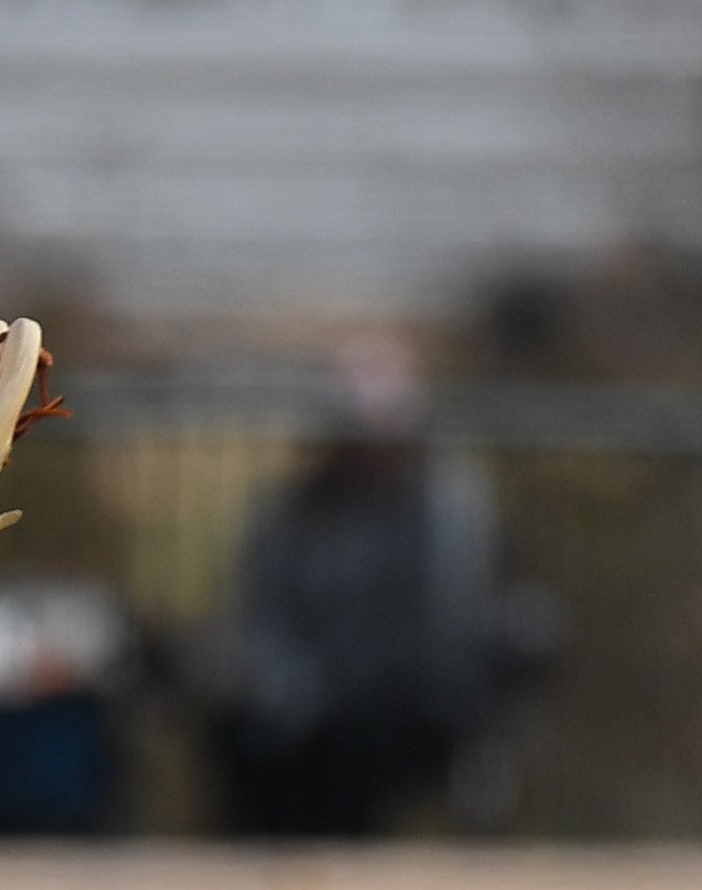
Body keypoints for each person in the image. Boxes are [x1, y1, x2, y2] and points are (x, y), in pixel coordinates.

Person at [212, 338, 521, 838]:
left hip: (403, 705)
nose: (368, 454)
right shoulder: (294, 513)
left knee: (364, 745)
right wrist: (286, 687)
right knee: (248, 743)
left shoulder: (444, 509)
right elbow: (262, 613)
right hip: (313, 704)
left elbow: (448, 619)